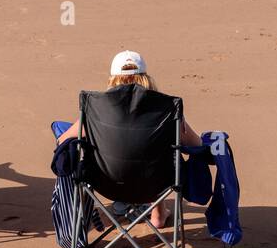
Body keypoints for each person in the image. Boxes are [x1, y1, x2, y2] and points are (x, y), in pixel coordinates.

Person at [58, 50, 201, 229]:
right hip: (156, 184)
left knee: (92, 149)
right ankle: (158, 214)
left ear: (112, 79)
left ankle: (97, 214)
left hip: (106, 183)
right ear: (146, 78)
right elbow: (197, 145)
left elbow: (62, 140)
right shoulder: (166, 110)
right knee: (165, 154)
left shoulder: (97, 110)